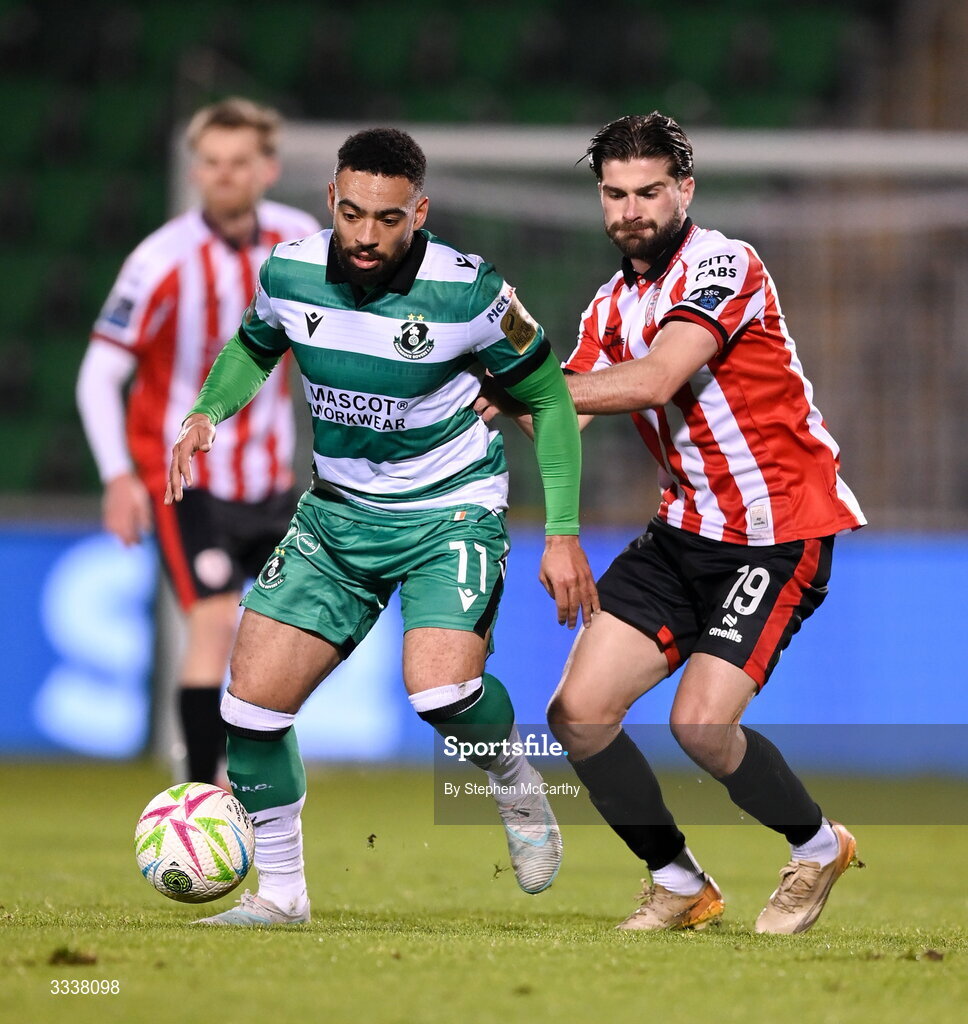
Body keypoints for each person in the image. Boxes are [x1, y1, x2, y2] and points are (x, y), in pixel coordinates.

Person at [164, 127, 599, 926]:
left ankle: (510, 776)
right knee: (250, 711)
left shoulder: (472, 292)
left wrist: (563, 531)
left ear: (420, 212)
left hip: (448, 509)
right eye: (353, 213)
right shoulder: (290, 270)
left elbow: (551, 399)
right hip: (338, 513)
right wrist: (207, 411)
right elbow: (254, 346)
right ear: (332, 199)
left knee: (442, 690)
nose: (366, 236)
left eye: (388, 219)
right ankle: (284, 896)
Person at [481, 112, 866, 935]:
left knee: (700, 723)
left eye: (649, 191)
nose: (632, 210)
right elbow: (562, 420)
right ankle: (679, 880)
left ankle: (816, 845)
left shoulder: (724, 263)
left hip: (778, 529)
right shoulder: (608, 303)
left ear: (684, 189)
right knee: (577, 713)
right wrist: (489, 363)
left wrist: (530, 389)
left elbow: (656, 380)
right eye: (615, 194)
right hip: (682, 533)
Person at [76, 98, 320, 788]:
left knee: (280, 640)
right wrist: (118, 475)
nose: (223, 175)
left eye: (238, 162)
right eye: (210, 163)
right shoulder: (159, 261)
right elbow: (100, 374)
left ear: (266, 167)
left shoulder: (299, 241)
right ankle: (204, 790)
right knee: (212, 623)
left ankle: (256, 771)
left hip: (272, 482)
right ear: (196, 169)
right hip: (188, 483)